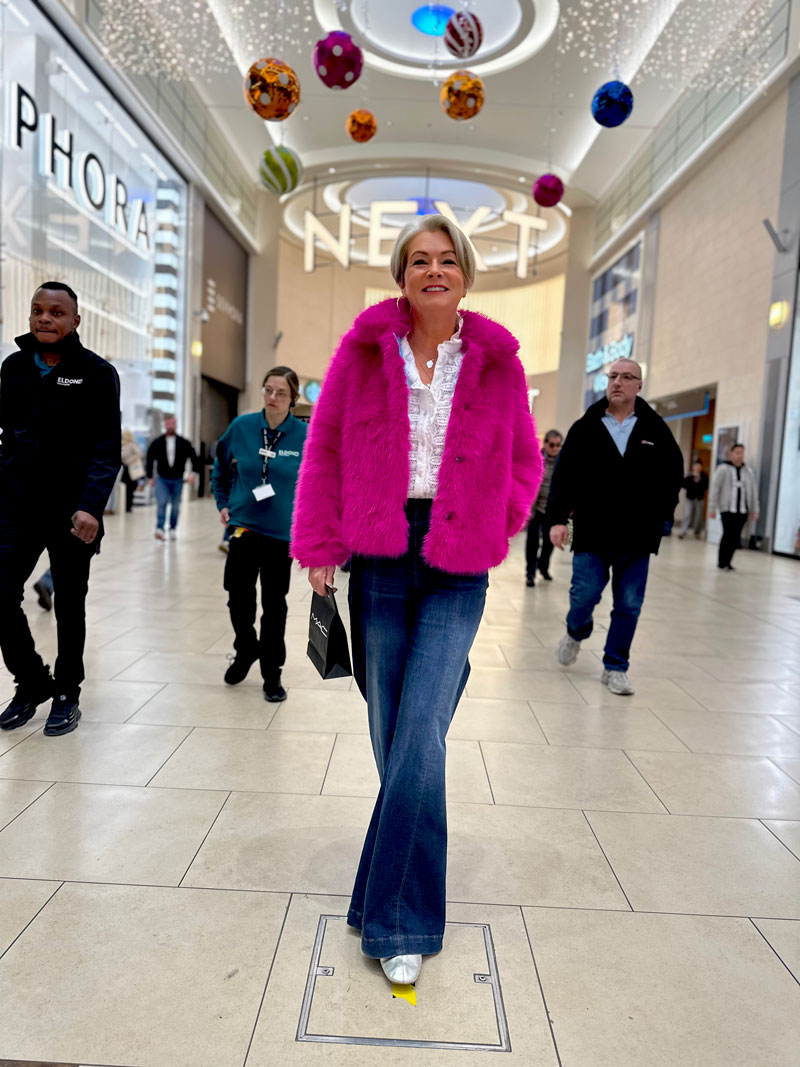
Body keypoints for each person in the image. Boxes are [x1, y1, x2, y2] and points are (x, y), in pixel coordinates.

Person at [292, 215, 541, 987]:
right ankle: (383, 896)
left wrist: (500, 519)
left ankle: (399, 919)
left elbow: (525, 460)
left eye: (446, 260)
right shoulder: (365, 350)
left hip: (459, 555)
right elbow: (326, 445)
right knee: (391, 729)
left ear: (465, 273)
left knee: (421, 729)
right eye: (419, 260)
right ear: (402, 275)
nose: (434, 271)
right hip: (379, 549)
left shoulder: (497, 362)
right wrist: (320, 543)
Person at [0, 281, 120, 736]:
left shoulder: (96, 372)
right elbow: (6, 436)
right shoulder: (13, 368)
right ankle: (32, 680)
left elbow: (107, 448)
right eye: (38, 310)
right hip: (17, 507)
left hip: (74, 514)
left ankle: (67, 691)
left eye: (55, 312)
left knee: (70, 605)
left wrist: (91, 506)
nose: (45, 318)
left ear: (75, 320)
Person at [548, 357, 683, 696]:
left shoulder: (655, 429)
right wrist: (557, 520)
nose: (618, 382)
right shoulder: (586, 427)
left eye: (626, 377)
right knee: (584, 595)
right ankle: (576, 631)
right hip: (592, 531)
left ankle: (615, 666)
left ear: (639, 385)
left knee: (628, 604)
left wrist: (662, 517)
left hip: (638, 535)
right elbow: (563, 477)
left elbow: (672, 475)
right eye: (613, 376)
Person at [212, 367, 307, 702]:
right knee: (238, 597)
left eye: (281, 393)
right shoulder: (242, 427)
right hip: (243, 527)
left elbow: (317, 483)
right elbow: (220, 468)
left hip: (281, 535)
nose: (272, 397)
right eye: (268, 389)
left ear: (293, 398)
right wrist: (223, 502)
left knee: (274, 605)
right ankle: (246, 648)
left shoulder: (305, 436)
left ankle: (272, 673)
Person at [146, 415, 199, 540]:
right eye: (168, 424)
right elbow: (149, 458)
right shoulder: (157, 442)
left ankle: (172, 529)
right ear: (165, 425)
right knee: (162, 502)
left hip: (178, 479)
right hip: (162, 478)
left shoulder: (184, 442)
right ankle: (159, 528)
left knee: (175, 506)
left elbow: (194, 458)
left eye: (172, 424)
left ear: (176, 425)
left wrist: (193, 474)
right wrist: (150, 476)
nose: (170, 426)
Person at [709, 443, 759, 571]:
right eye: (737, 452)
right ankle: (722, 562)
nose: (740, 455)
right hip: (727, 509)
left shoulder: (748, 472)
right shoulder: (723, 469)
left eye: (742, 453)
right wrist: (712, 507)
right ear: (732, 454)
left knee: (736, 536)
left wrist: (755, 509)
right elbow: (715, 489)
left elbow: (753, 492)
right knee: (727, 534)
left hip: (742, 510)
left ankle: (728, 562)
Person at [525, 428, 562, 586]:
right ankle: (530, 573)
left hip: (552, 510)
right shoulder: (536, 458)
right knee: (532, 543)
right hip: (536, 509)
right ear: (545, 444)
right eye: (552, 444)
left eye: (558, 445)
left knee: (549, 542)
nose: (555, 448)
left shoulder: (563, 461)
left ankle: (543, 566)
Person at [677, 459, 709, 539]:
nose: (697, 468)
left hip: (699, 499)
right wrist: (692, 479)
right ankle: (682, 531)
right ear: (693, 467)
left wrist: (699, 482)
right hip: (689, 498)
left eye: (699, 466)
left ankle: (697, 532)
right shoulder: (689, 475)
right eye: (696, 466)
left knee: (698, 516)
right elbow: (683, 485)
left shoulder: (704, 476)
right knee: (687, 515)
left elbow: (706, 486)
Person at [120, 429, 145, 513]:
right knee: (123, 488)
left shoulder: (132, 445)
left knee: (130, 489)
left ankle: (128, 506)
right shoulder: (121, 444)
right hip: (123, 469)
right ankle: (123, 505)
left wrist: (129, 461)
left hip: (131, 470)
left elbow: (139, 454)